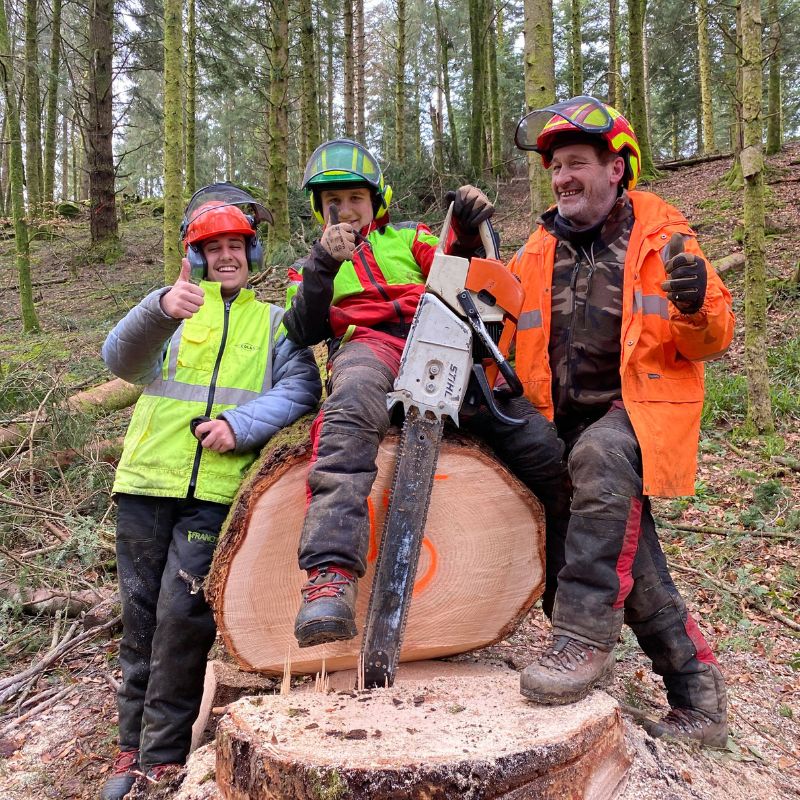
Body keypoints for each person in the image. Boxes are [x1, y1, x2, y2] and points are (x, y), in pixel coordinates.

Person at [509, 96, 735, 747]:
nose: (562, 178)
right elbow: (501, 329)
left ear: (617, 168)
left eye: (577, 163)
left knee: (600, 459)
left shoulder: (663, 238)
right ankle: (700, 699)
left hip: (635, 417)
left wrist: (695, 308)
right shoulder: (537, 247)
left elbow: (714, 334)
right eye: (555, 167)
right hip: (559, 426)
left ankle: (581, 640)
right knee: (636, 566)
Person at [283, 138, 570, 650]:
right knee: (348, 411)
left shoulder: (409, 238)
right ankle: (330, 576)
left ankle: (568, 588)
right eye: (333, 203)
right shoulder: (311, 267)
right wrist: (323, 267)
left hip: (439, 334)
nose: (345, 211)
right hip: (368, 348)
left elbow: (459, 269)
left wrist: (463, 223)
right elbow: (304, 328)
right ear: (319, 212)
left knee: (540, 446)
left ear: (375, 201)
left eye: (353, 199)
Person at [98, 184, 321, 800]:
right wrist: (161, 306)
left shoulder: (276, 321)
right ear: (194, 255)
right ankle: (128, 746)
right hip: (146, 482)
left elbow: (301, 389)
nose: (226, 257)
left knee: (182, 616)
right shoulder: (172, 309)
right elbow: (119, 361)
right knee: (140, 618)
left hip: (216, 493)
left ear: (252, 253)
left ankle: (163, 754)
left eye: (235, 247)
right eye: (212, 247)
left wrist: (239, 426)